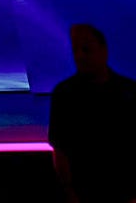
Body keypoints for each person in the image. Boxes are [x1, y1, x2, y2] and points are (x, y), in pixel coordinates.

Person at [49, 23, 136, 203]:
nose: (79, 56)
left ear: (104, 51)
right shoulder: (64, 94)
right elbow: (60, 149)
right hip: (86, 193)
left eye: (86, 49)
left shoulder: (130, 92)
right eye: (76, 50)